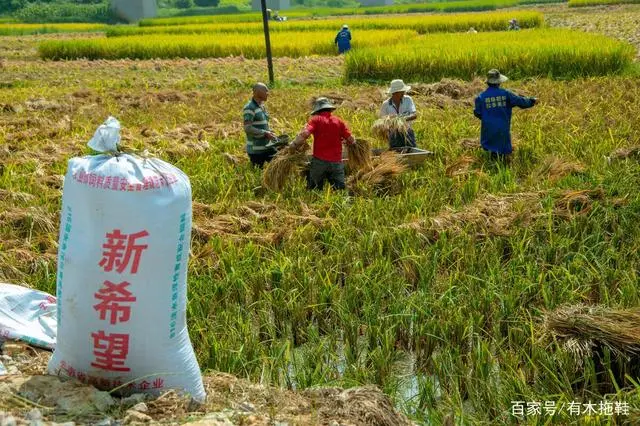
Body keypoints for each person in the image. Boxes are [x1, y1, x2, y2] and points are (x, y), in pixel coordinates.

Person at [291, 97, 355, 190]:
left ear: (317, 110)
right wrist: (353, 143)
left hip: (319, 162)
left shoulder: (316, 120)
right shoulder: (339, 121)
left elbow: (305, 134)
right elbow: (351, 139)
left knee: (315, 189)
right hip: (336, 162)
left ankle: (315, 203)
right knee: (339, 190)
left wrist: (293, 145)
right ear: (329, 108)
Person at [473, 69, 536, 159]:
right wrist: (532, 100)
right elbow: (521, 102)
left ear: (488, 82)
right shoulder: (506, 94)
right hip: (502, 129)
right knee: (502, 152)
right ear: (499, 82)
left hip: (488, 129)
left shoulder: (481, 97)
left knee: (492, 151)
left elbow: (477, 113)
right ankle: (502, 167)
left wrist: (488, 117)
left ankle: (493, 167)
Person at [243, 82, 277, 168]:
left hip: (267, 147)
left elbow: (261, 125)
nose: (268, 93)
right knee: (258, 174)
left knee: (277, 165)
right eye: (266, 91)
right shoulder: (249, 108)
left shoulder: (261, 106)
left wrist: (269, 132)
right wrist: (265, 133)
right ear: (258, 92)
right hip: (256, 151)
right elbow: (247, 128)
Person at [379, 79, 417, 150]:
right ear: (395, 93)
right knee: (396, 156)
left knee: (411, 152)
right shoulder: (386, 104)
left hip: (407, 132)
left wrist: (400, 120)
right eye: (401, 91)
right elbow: (383, 121)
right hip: (394, 135)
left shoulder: (408, 100)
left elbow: (414, 115)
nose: (404, 92)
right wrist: (391, 121)